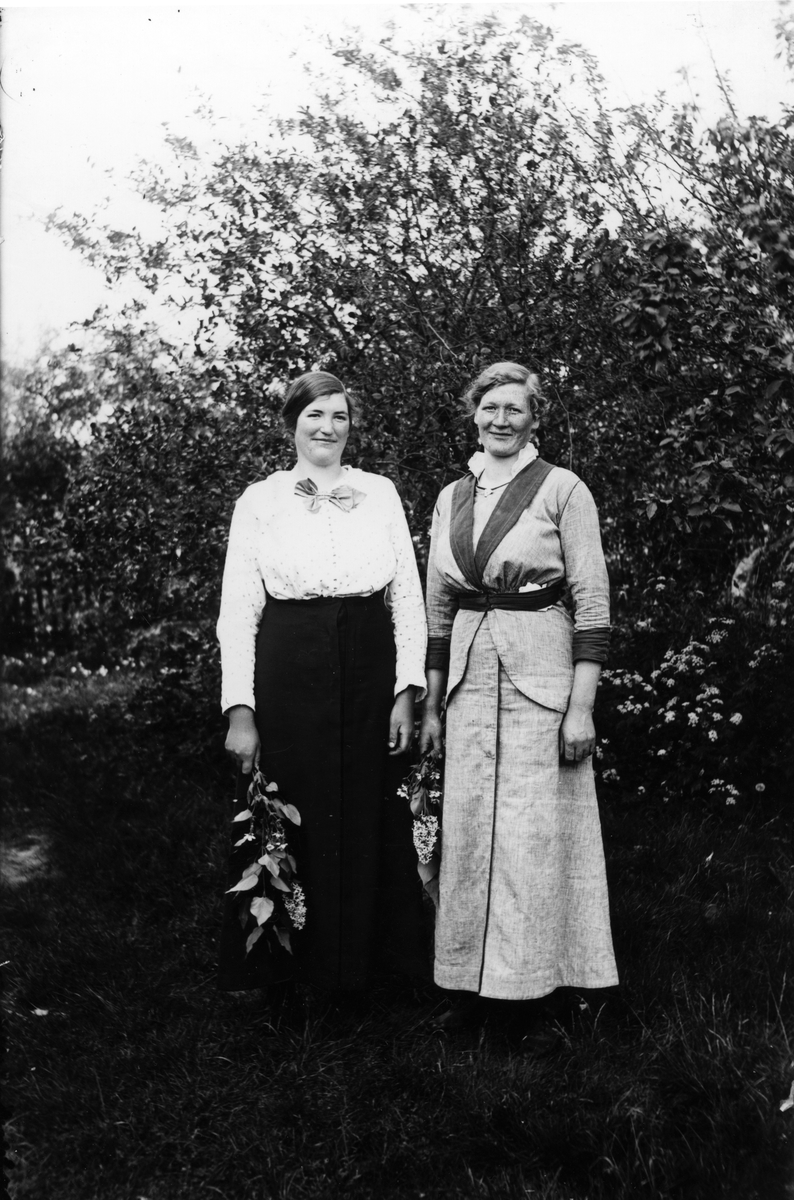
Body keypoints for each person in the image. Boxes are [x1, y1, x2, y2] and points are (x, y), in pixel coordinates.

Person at [419, 361, 618, 1041]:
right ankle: (468, 987)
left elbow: (592, 602)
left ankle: (533, 994)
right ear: (473, 414)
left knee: (534, 837)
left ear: (535, 419)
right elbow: (437, 607)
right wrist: (433, 705)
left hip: (542, 675)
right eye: (490, 407)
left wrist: (581, 707)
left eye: (515, 409)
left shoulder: (564, 489)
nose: (501, 419)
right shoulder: (452, 496)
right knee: (469, 832)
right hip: (469, 681)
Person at [216, 370, 428, 993]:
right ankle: (289, 971)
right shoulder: (260, 500)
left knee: (370, 804)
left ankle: (373, 968)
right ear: (292, 423)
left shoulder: (381, 492)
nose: (327, 428)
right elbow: (238, 610)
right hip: (291, 662)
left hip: (369, 660)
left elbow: (407, 599)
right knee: (293, 805)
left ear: (351, 426)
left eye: (339, 416)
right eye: (314, 415)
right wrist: (240, 710)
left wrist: (406, 691)